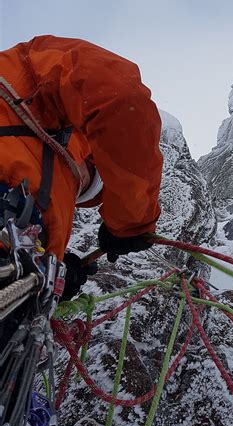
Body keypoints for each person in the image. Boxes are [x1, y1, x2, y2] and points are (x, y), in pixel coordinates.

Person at [0, 34, 163, 299]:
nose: (77, 187)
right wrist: (131, 223)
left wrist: (55, 271)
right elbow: (121, 99)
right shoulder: (31, 71)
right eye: (84, 183)